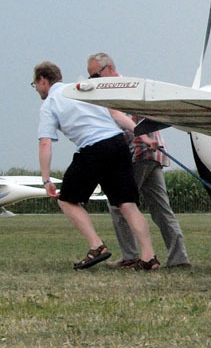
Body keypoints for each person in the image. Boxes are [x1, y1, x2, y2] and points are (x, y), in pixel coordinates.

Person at [33, 61, 159, 270]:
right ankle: (149, 257)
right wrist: (143, 136)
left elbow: (45, 142)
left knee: (66, 200)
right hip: (118, 143)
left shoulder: (50, 103)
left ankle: (96, 246)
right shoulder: (84, 90)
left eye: (35, 84)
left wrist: (46, 179)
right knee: (127, 203)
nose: (37, 89)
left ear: (43, 80)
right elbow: (116, 115)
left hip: (94, 148)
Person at [89, 53, 193, 269]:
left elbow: (119, 117)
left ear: (108, 69)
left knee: (120, 204)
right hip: (155, 153)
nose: (93, 81)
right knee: (161, 209)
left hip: (138, 152)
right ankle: (179, 258)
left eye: (95, 75)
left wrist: (143, 137)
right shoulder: (133, 84)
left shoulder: (114, 90)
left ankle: (131, 256)